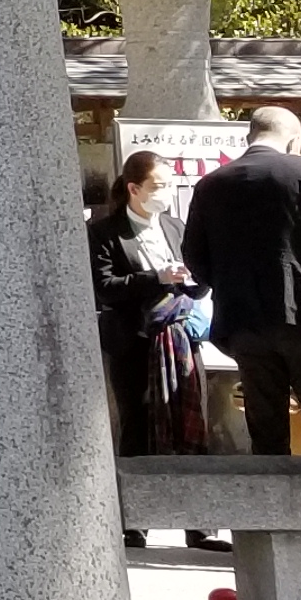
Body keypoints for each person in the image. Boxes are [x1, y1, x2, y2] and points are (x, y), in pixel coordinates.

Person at [180, 104, 301, 455]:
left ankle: (272, 504)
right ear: (293, 138)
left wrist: (229, 284)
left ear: (250, 136)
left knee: (267, 437)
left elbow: (194, 257)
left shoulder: (211, 185)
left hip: (244, 322)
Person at [89, 151, 211, 524]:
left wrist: (193, 280)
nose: (166, 192)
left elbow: (199, 281)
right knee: (137, 423)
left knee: (190, 422)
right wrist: (155, 278)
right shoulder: (104, 232)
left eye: (170, 185)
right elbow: (104, 287)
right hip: (133, 340)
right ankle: (135, 521)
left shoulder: (173, 226)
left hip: (179, 339)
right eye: (159, 186)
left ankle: (199, 524)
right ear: (134, 189)